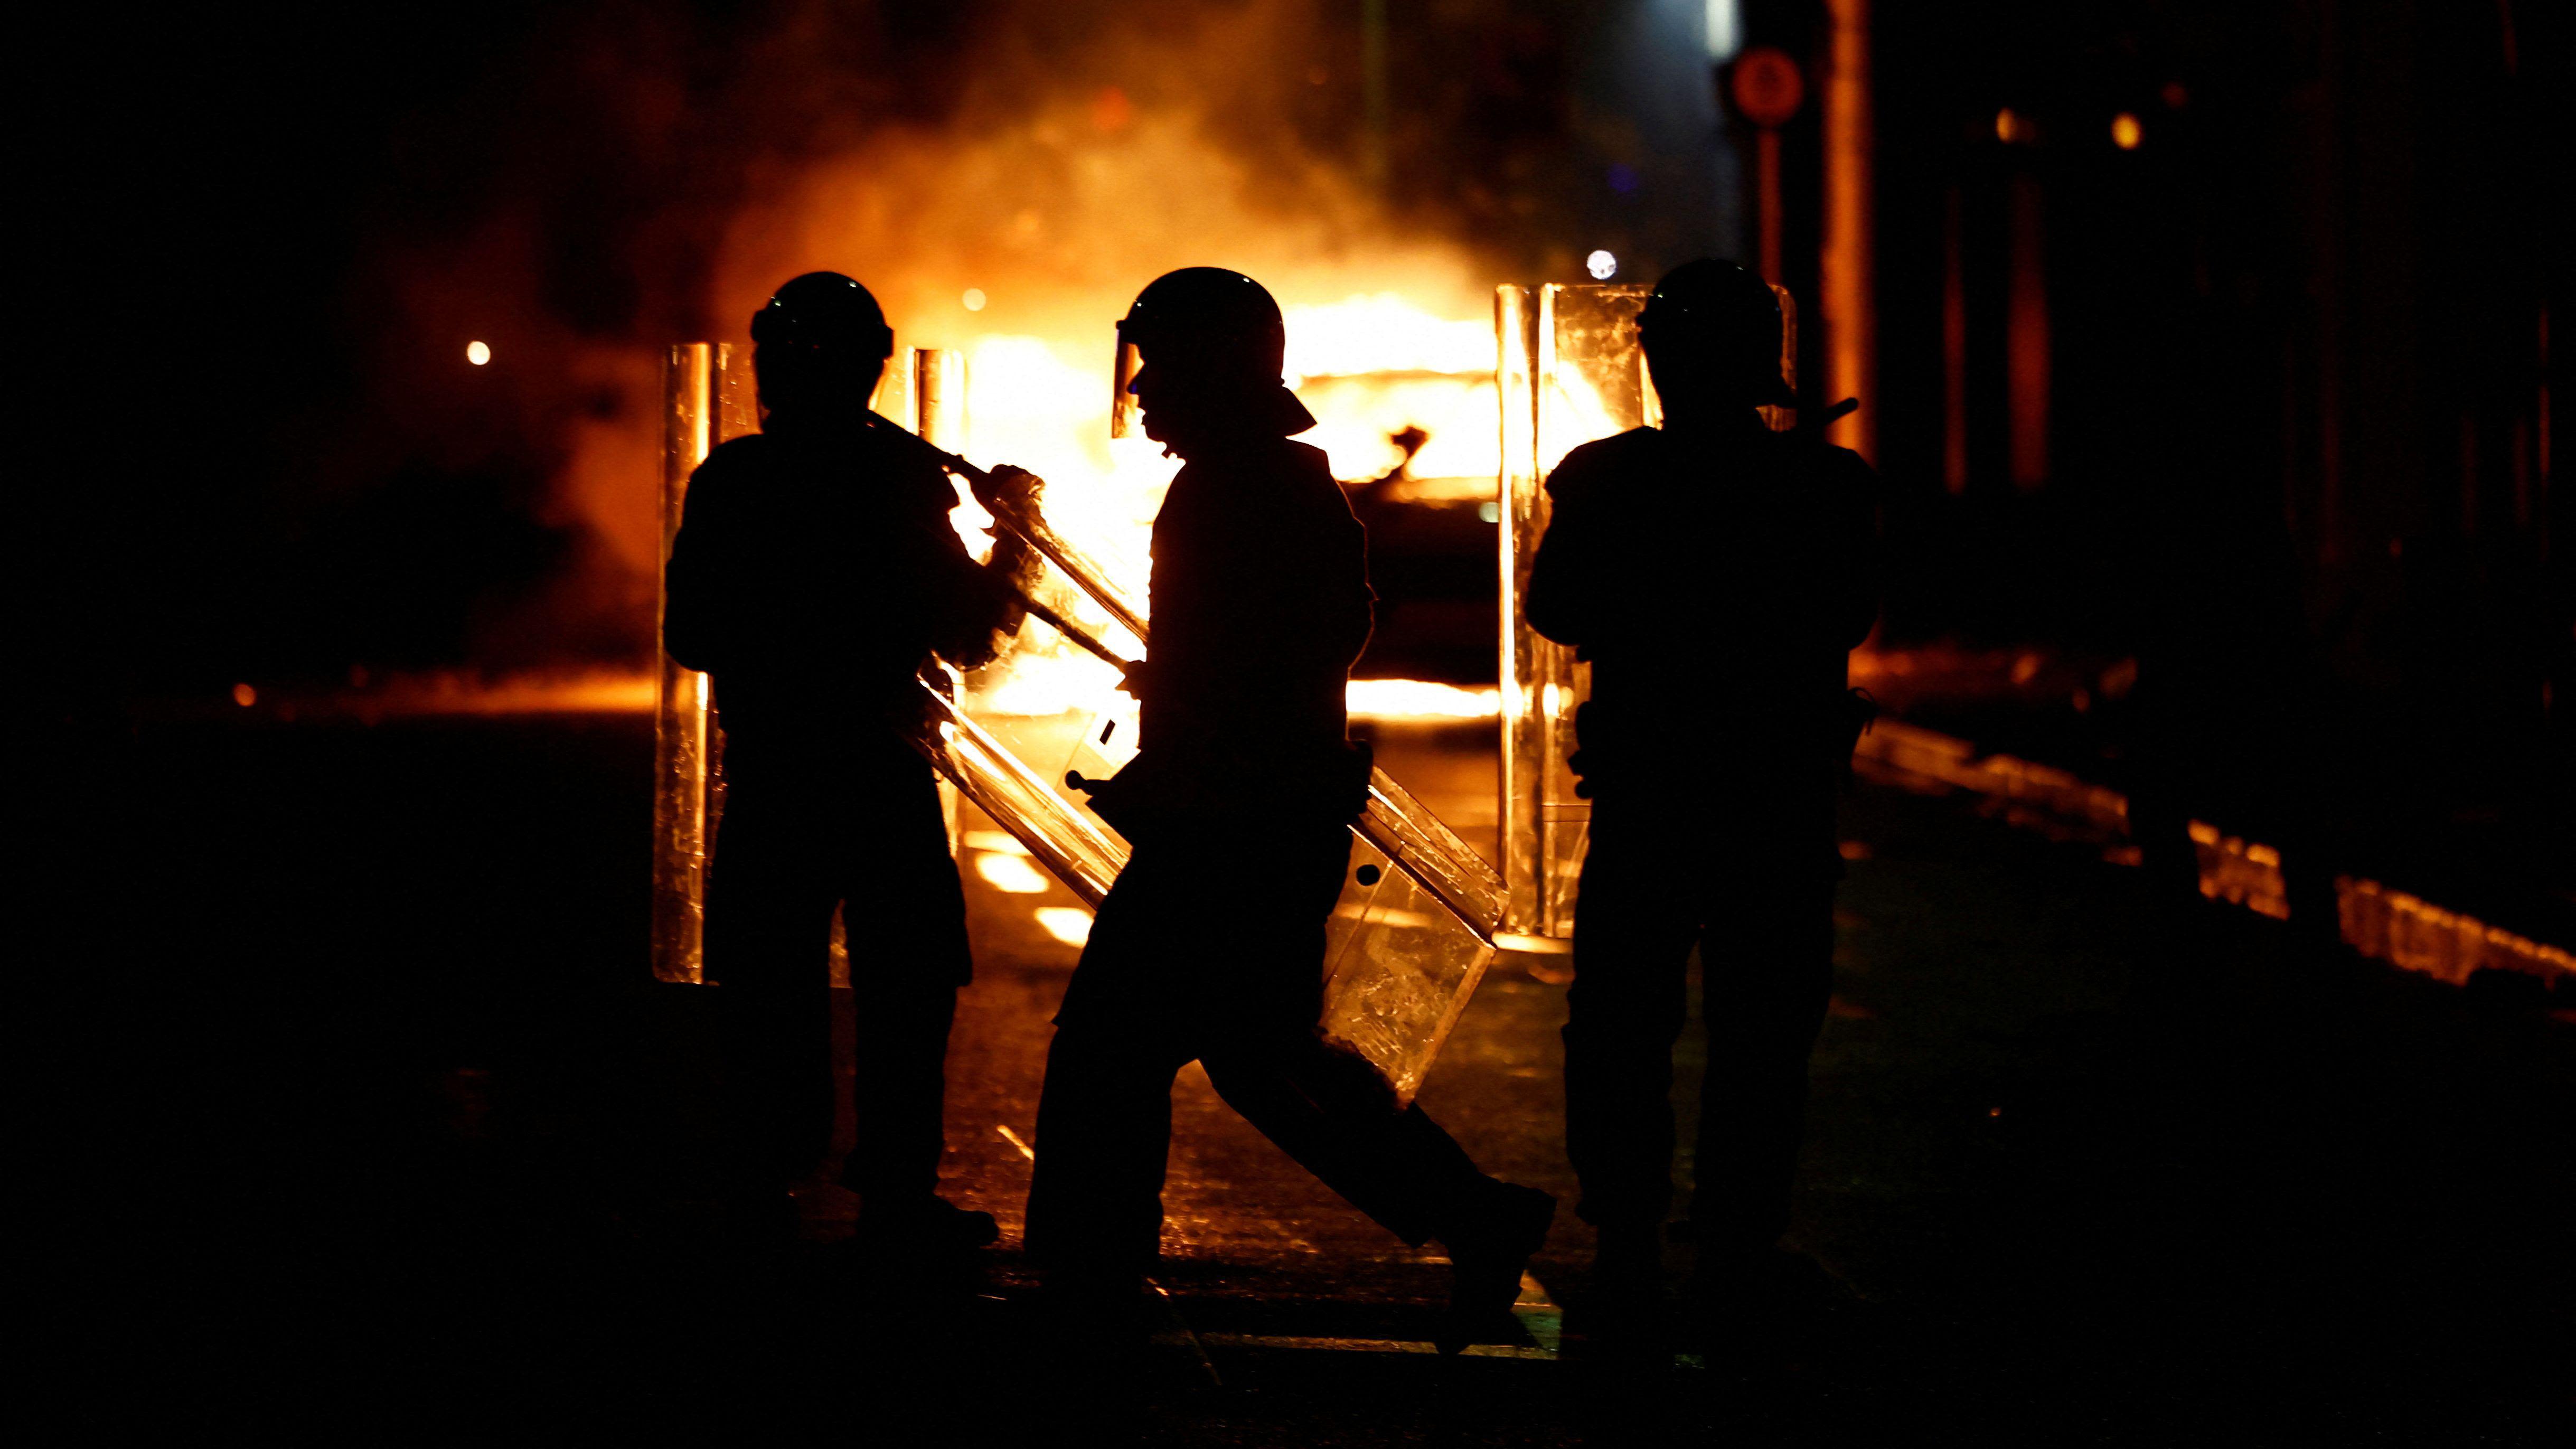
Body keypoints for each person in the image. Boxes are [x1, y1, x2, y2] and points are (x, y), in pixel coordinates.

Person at [1022, 268, 1555, 1336]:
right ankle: (1477, 1213)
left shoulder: (1247, 488)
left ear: (1211, 367)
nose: (1143, 390)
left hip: (1232, 828)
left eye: (1161, 363)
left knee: (1115, 1050)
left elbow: (1297, 640)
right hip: (1252, 818)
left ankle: (1089, 1277)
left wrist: (1200, 691)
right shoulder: (1255, 481)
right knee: (1263, 1061)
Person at [1525, 260, 1879, 1316]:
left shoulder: (1607, 478)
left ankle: (1628, 1235)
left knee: (1624, 1022)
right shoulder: (1827, 485)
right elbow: (1847, 615)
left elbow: (1556, 608)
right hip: (1774, 795)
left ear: (1660, 359)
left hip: (1653, 793)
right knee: (1762, 1026)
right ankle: (1736, 1241)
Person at [663, 271, 1038, 1249]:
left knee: (770, 991)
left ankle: (762, 1182)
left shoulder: (732, 479)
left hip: (778, 773)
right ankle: (893, 1192)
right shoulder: (893, 481)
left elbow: (693, 635)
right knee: (904, 993)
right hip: (878, 770)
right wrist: (1016, 540)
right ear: (870, 366)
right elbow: (969, 633)